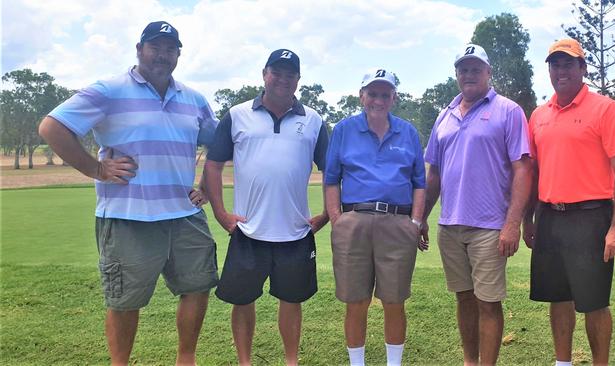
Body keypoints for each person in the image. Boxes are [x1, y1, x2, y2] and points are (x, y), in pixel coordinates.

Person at [38, 21, 219, 365]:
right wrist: (97, 169)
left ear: (178, 54)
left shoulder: (194, 99)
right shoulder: (109, 90)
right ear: (139, 49)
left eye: (170, 49)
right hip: (128, 217)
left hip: (184, 215)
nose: (162, 55)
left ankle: (186, 358)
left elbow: (218, 144)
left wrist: (206, 187)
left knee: (197, 287)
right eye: (155, 47)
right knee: (124, 301)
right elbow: (52, 127)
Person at [203, 48, 329, 366]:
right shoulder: (237, 115)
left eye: (290, 74)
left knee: (292, 300)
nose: (283, 79)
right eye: (277, 72)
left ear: (298, 80)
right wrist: (220, 213)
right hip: (248, 229)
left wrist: (328, 214)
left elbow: (333, 173)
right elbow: (214, 165)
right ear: (264, 74)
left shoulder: (313, 121)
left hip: (296, 231)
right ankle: (245, 361)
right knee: (243, 300)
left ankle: (291, 361)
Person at [523, 38, 615, 366]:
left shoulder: (605, 108)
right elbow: (534, 171)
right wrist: (527, 219)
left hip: (591, 217)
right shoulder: (539, 115)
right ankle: (563, 362)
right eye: (555, 64)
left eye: (568, 63)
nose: (561, 70)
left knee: (594, 302)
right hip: (550, 217)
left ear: (582, 68)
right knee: (558, 298)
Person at [422, 44, 532, 365]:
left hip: (490, 227)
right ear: (457, 74)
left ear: (488, 73)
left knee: (488, 302)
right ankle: (470, 361)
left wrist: (513, 224)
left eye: (475, 68)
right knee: (465, 299)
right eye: (463, 69)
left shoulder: (508, 111)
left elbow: (522, 170)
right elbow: (435, 174)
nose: (469, 74)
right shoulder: (445, 116)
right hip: (450, 225)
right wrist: (421, 219)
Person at [324, 68, 425, 366]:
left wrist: (416, 222)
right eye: (372, 93)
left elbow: (419, 182)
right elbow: (332, 179)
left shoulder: (407, 132)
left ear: (393, 98)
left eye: (385, 94)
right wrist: (336, 219)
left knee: (394, 301)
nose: (378, 100)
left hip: (397, 222)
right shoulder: (344, 130)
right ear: (361, 96)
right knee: (356, 301)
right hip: (354, 220)